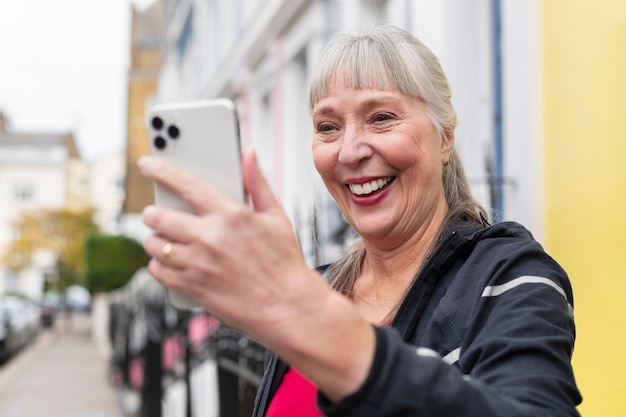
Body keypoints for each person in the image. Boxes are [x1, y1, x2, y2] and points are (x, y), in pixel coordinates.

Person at [139, 23, 581, 417]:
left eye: (381, 118)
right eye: (328, 127)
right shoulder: (321, 288)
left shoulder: (511, 278)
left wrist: (322, 329)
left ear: (445, 137)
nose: (350, 151)